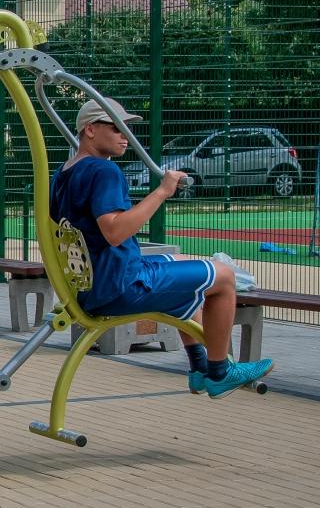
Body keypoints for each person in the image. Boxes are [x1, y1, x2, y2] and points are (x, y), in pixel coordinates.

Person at [49, 98, 273, 399]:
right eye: (117, 128)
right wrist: (162, 192)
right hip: (119, 288)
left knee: (180, 261)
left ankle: (198, 365)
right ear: (90, 129)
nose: (126, 137)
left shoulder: (63, 174)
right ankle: (220, 372)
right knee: (224, 278)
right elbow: (114, 231)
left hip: (90, 285)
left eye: (127, 129)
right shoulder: (103, 172)